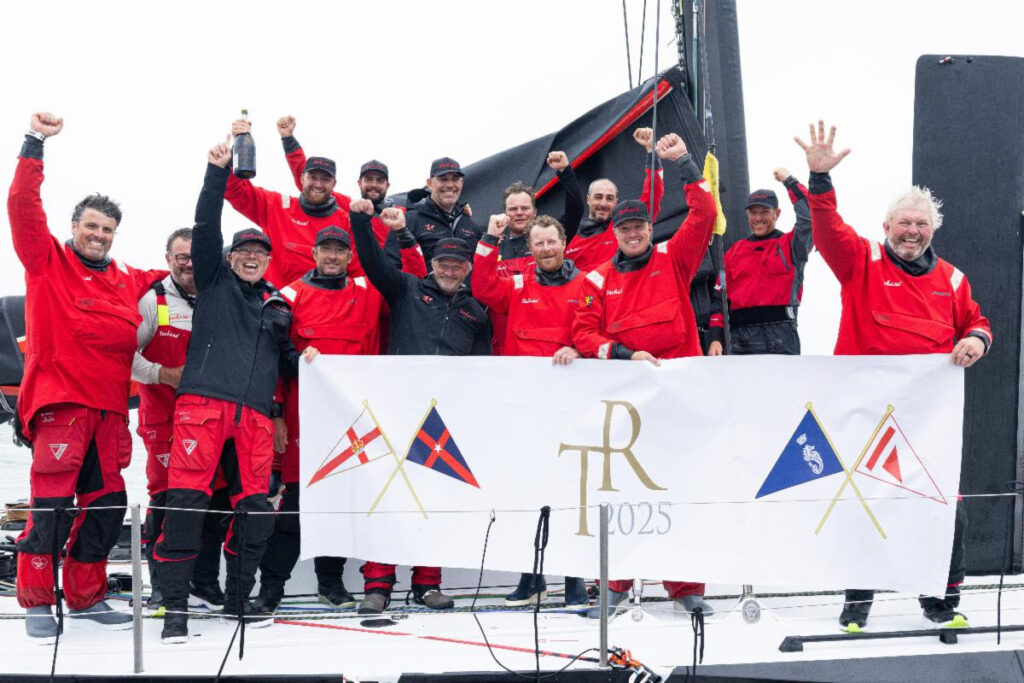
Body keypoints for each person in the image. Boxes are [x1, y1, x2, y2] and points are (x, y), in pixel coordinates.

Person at [795, 121, 991, 632]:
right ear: (886, 226)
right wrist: (819, 181)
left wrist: (976, 340)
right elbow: (829, 231)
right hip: (864, 418)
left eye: (921, 224)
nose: (911, 231)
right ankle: (856, 605)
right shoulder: (860, 261)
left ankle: (941, 603)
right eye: (903, 222)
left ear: (933, 229)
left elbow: (976, 322)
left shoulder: (953, 279)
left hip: (927, 425)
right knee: (863, 508)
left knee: (947, 511)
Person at [9, 113, 166, 638]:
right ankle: (36, 602)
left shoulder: (129, 280)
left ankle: (85, 597)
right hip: (59, 409)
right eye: (91, 227)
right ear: (75, 228)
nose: (99, 235)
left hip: (109, 416)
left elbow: (184, 268)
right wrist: (35, 146)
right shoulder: (47, 262)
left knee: (106, 508)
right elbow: (22, 209)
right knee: (51, 508)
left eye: (107, 230)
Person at [153, 137, 316, 644]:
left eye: (259, 253)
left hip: (256, 418)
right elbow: (205, 225)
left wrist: (309, 360)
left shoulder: (278, 305)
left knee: (254, 514)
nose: (252, 258)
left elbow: (284, 358)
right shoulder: (215, 281)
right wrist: (216, 173)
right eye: (244, 251)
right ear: (230, 257)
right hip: (202, 406)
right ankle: (175, 608)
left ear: (269, 261)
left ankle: (238, 600)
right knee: (185, 507)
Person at [572, 132, 717, 617]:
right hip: (625, 402)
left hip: (679, 398)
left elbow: (703, 215)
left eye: (639, 226)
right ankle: (615, 586)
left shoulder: (674, 258)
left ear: (649, 228)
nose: (633, 233)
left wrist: (682, 163)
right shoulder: (597, 280)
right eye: (625, 228)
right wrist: (624, 354)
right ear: (614, 232)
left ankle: (686, 588)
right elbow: (584, 334)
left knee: (681, 488)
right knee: (622, 493)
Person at [351, 201, 491, 614]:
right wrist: (361, 220)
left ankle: (428, 584)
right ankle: (377, 585)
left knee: (436, 499)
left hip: (444, 421)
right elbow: (373, 262)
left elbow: (482, 370)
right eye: (444, 263)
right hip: (397, 411)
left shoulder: (475, 311)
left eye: (458, 265)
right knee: (388, 497)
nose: (450, 270)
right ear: (433, 264)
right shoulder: (407, 290)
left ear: (468, 268)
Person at [253, 224, 393, 614]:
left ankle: (329, 583)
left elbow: (408, 289)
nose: (332, 257)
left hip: (356, 420)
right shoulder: (291, 295)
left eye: (340, 251)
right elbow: (274, 357)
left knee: (343, 504)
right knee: (296, 507)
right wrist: (277, 413)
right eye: (325, 250)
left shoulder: (368, 291)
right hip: (303, 420)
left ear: (350, 257)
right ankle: (272, 589)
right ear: (314, 254)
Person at [474, 213, 589, 607]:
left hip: (572, 407)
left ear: (563, 242)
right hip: (526, 409)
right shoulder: (518, 284)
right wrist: (490, 238)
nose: (545, 249)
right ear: (530, 249)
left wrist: (580, 348)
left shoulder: (586, 284)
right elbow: (483, 286)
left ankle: (575, 580)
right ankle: (531, 576)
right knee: (529, 493)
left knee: (572, 493)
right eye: (538, 244)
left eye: (551, 242)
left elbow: (599, 329)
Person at [133, 228, 229, 612]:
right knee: (167, 502)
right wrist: (162, 373)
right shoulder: (152, 301)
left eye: (195, 256)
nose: (189, 263)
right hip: (165, 421)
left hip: (212, 422)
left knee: (216, 501)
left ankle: (204, 581)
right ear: (168, 258)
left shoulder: (219, 297)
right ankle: (161, 586)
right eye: (180, 256)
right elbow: (126, 357)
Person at [275, 115, 427, 278]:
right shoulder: (347, 206)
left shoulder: (400, 215)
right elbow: (310, 185)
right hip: (361, 285)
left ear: (387, 185)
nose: (374, 185)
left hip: (395, 283)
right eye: (368, 179)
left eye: (380, 180)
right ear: (359, 183)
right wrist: (288, 139)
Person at [225, 116, 364, 287]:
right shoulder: (275, 206)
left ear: (334, 184)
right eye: (313, 177)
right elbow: (235, 190)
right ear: (302, 178)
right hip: (273, 306)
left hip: (321, 309)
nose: (318, 184)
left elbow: (358, 275)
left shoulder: (346, 222)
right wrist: (237, 150)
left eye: (325, 179)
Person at [707, 169, 812, 355]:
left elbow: (811, 217)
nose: (758, 219)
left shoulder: (792, 246)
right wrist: (715, 336)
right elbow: (719, 297)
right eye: (753, 213)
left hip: (781, 335)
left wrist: (789, 181)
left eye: (764, 212)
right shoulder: (732, 254)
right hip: (738, 339)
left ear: (777, 214)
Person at [563, 128, 665, 272]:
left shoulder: (622, 229)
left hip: (622, 292)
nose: (603, 203)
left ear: (616, 202)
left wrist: (650, 150)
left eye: (609, 198)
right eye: (598, 197)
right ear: (588, 199)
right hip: (586, 295)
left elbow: (653, 193)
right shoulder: (568, 235)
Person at [405, 157, 484, 267]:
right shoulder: (410, 221)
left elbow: (482, 270)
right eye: (443, 179)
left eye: (455, 179)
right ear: (429, 183)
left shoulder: (472, 226)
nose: (450, 185)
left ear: (461, 183)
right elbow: (394, 269)